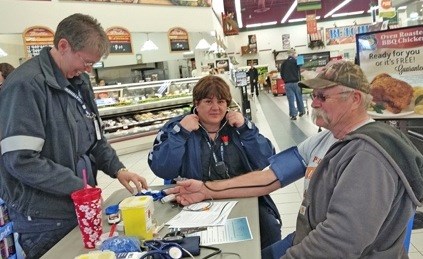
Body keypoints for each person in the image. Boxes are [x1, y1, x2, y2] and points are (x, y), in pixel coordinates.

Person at [167, 61, 423, 258]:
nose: (314, 104)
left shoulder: (369, 155)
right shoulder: (325, 139)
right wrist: (205, 189)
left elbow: (340, 242)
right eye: (314, 96)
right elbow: (270, 178)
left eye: (323, 96)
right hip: (304, 238)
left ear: (355, 99)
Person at [0, 13, 148, 258]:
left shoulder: (79, 81)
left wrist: (118, 169)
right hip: (44, 218)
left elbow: (94, 138)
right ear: (63, 46)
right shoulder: (26, 86)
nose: (88, 69)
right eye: (86, 61)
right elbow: (20, 160)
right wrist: (79, 186)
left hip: (77, 205)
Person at [148, 75, 282, 249]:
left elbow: (266, 159)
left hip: (239, 194)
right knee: (192, 243)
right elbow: (162, 169)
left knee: (270, 228)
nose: (216, 108)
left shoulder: (238, 126)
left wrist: (246, 131)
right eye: (208, 101)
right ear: (196, 103)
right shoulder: (176, 128)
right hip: (193, 199)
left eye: (221, 102)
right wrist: (180, 134)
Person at [280, 49, 305, 120]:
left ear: (288, 54)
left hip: (287, 84)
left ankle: (293, 115)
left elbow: (281, 74)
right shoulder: (296, 61)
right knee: (298, 97)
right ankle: (301, 111)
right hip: (296, 83)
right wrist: (299, 58)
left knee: (290, 100)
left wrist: (285, 80)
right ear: (293, 54)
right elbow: (300, 67)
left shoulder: (284, 63)